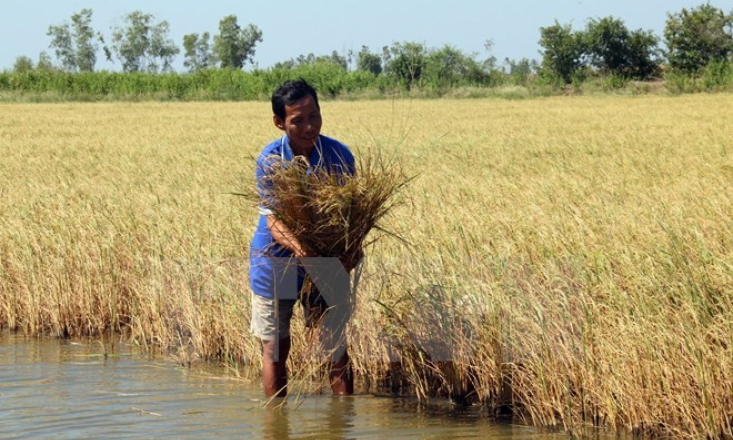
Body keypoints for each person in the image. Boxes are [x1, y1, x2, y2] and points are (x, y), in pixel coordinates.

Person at [249, 79, 359, 398]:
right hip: (277, 265)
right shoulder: (271, 161)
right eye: (298, 120)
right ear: (279, 122)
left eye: (314, 116)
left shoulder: (339, 157)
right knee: (275, 350)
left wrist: (353, 249)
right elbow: (274, 222)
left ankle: (343, 424)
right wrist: (302, 250)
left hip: (324, 262)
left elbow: (350, 216)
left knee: (335, 347)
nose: (309, 127)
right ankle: (276, 426)